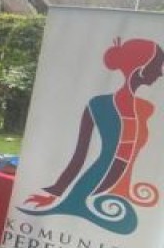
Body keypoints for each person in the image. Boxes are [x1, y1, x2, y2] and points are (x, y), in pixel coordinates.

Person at [21, 39, 164, 235]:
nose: (160, 73)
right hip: (92, 184)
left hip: (115, 190)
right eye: (157, 66)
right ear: (141, 69)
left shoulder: (145, 108)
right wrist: (56, 193)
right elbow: (80, 155)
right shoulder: (98, 105)